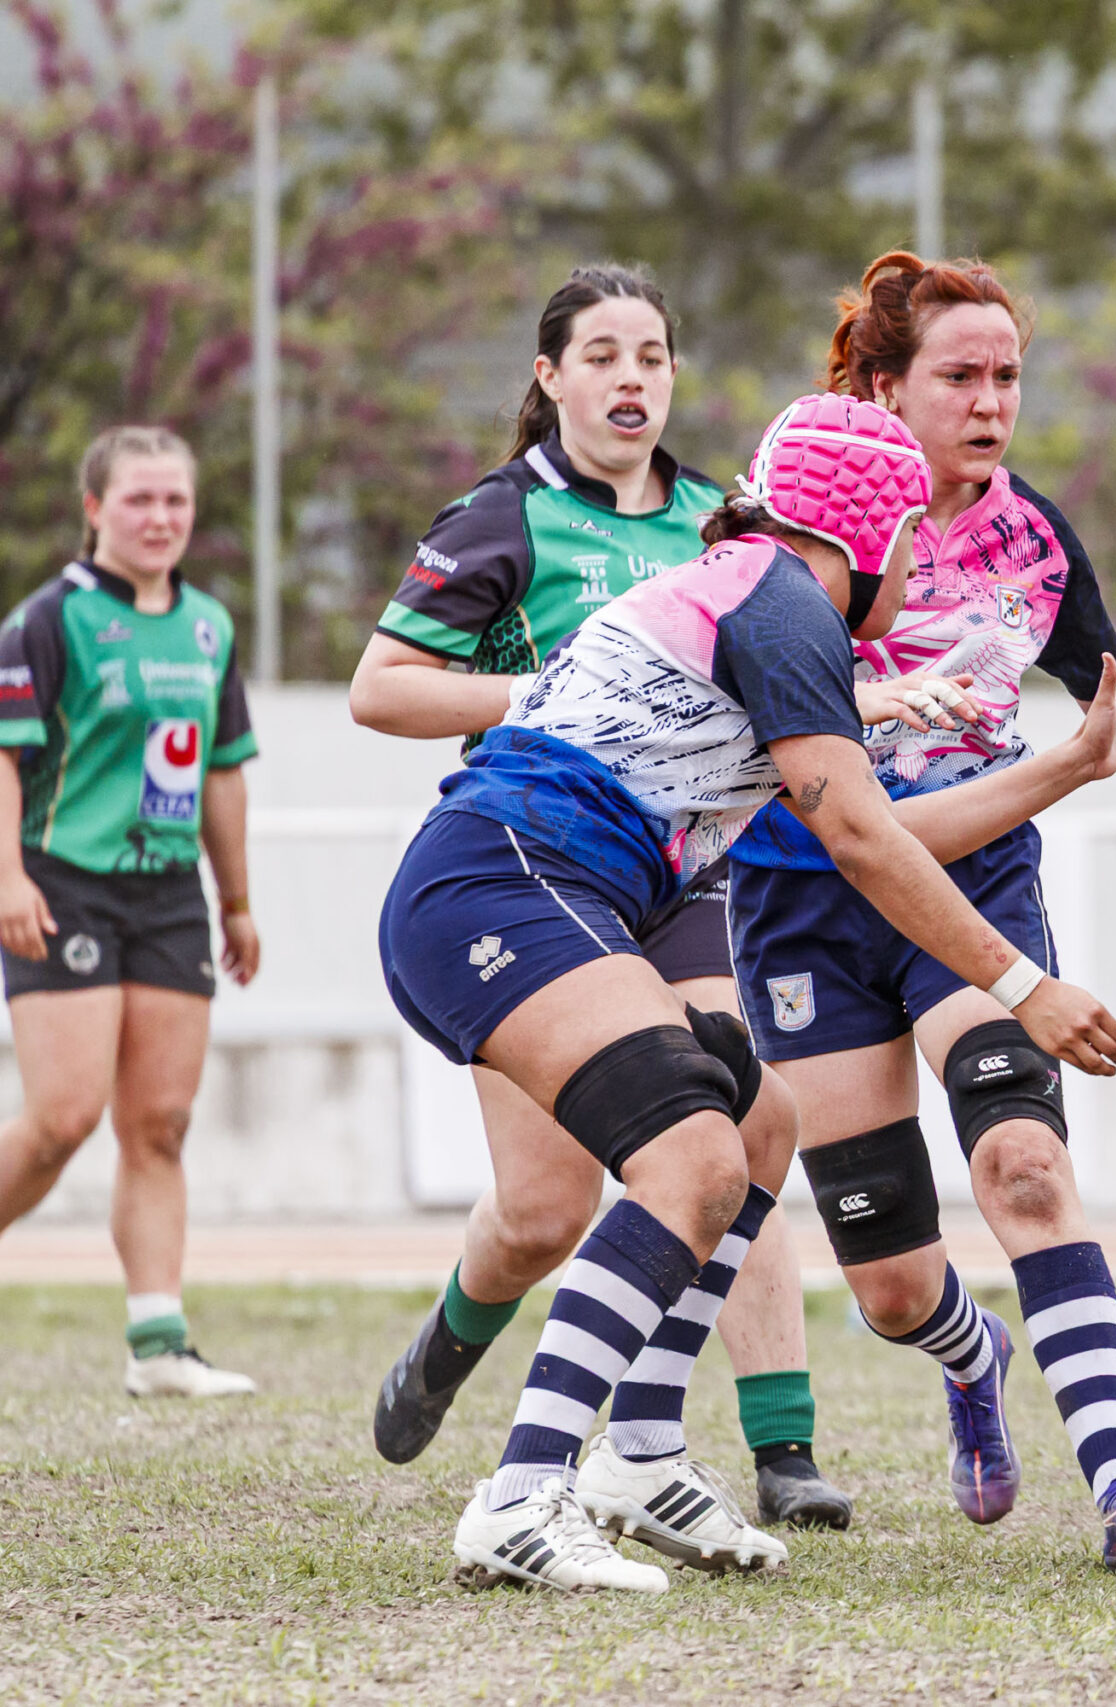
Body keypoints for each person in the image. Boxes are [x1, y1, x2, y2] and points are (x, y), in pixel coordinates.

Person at [387, 391, 1116, 1593]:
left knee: (757, 1125)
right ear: (871, 539)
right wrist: (1021, 983)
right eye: (912, 543)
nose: (916, 571)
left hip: (527, 884)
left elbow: (878, 826)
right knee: (692, 1160)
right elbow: (865, 842)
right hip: (505, 882)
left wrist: (1067, 766)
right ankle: (523, 1492)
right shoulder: (784, 606)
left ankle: (637, 1459)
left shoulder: (753, 592)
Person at [725, 253, 1116, 1570]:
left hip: (971, 882)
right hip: (804, 900)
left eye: (1008, 375)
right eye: (961, 375)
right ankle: (967, 1352)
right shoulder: (798, 524)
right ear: (885, 386)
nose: (992, 401)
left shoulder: (1030, 533)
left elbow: (1112, 701)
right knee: (890, 1284)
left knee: (1025, 1167)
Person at [349, 265, 853, 1529]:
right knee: (546, 1209)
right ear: (550, 377)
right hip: (539, 862)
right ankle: (456, 1337)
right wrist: (568, 691)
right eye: (602, 355)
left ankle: (775, 1444)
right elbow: (381, 688)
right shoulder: (502, 519)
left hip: (680, 875)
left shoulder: (720, 525)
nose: (632, 378)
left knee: (738, 1117)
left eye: (652, 356)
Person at [0, 426, 261, 1398]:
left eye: (175, 500)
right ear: (95, 509)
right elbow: (5, 757)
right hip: (63, 882)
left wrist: (236, 902)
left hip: (169, 897)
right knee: (62, 1118)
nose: (160, 517)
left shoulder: (209, 625)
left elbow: (223, 772)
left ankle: (159, 1346)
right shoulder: (48, 620)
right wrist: (8, 879)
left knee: (159, 1123)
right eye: (139, 499)